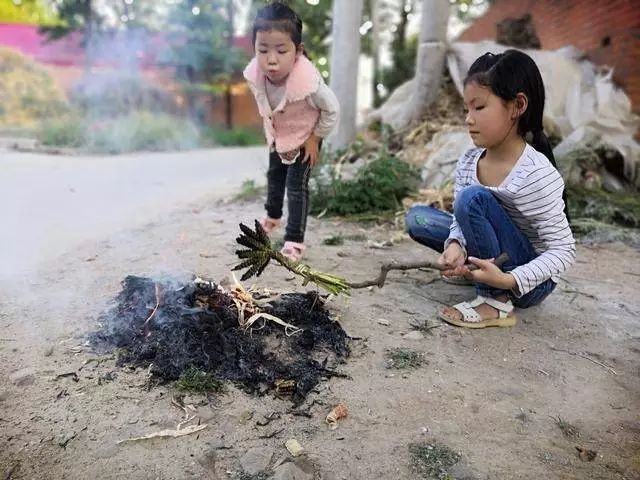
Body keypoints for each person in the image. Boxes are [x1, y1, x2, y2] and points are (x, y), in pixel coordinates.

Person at [405, 50, 575, 328]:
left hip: (529, 278)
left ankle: (494, 299)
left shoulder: (536, 174)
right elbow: (461, 219)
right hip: (493, 249)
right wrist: (456, 245)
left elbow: (563, 250)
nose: (468, 119)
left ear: (517, 106)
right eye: (467, 109)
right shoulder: (470, 160)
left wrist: (508, 280)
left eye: (479, 107)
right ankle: (474, 266)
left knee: (473, 199)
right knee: (418, 219)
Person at [244, 2, 340, 262]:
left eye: (281, 50)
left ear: (298, 51)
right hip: (279, 136)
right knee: (274, 176)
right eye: (263, 50)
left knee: (296, 187)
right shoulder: (257, 75)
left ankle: (294, 240)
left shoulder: (310, 84)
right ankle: (272, 218)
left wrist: (315, 138)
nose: (271, 59)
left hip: (306, 139)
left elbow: (332, 110)